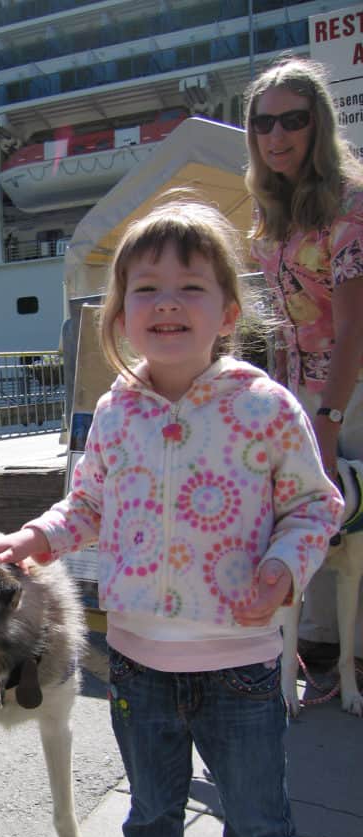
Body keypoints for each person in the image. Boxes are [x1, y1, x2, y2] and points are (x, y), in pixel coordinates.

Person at [0, 196, 343, 837]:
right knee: (150, 815)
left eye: (191, 285)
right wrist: (38, 536)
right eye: (146, 289)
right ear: (121, 314)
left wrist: (286, 570)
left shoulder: (264, 405)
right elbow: (88, 507)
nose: (169, 302)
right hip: (139, 664)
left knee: (258, 829)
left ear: (227, 309)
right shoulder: (115, 413)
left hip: (243, 668)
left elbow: (315, 507)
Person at [245, 56, 363, 668]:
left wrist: (329, 419)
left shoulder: (351, 206)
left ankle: (354, 660)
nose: (276, 136)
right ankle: (319, 646)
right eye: (263, 124)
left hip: (352, 389)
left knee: (356, 522)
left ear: (318, 124)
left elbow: (354, 329)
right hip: (304, 389)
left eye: (292, 120)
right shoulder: (278, 214)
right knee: (313, 515)